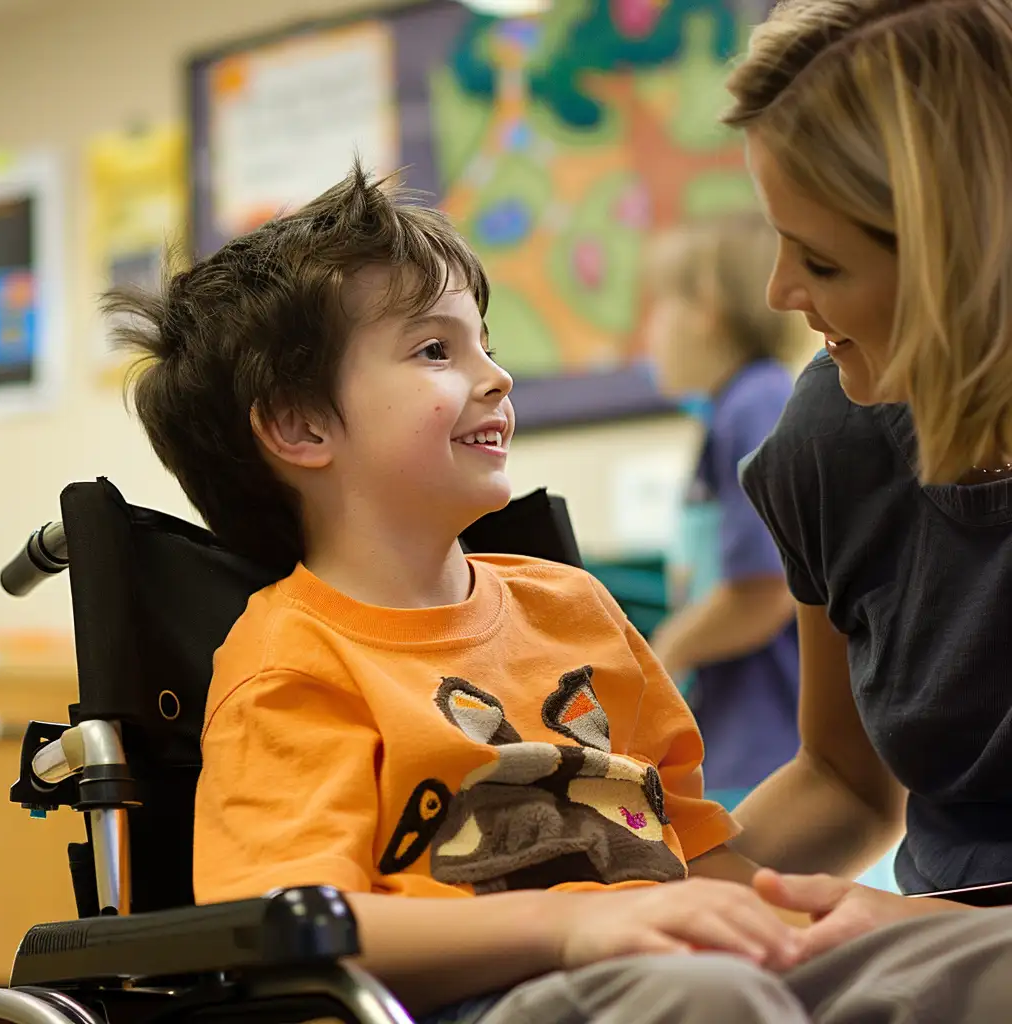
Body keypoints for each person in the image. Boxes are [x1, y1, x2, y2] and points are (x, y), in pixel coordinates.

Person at [107, 161, 818, 1022]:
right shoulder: (289, 664)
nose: (497, 376)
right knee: (713, 998)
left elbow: (696, 855)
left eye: (487, 342)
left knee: (945, 964)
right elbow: (289, 927)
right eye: (435, 349)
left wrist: (817, 928)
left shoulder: (576, 608)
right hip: (485, 997)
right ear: (301, 426)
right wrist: (568, 930)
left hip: (670, 967)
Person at [709, 0, 1012, 960]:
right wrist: (664, 898)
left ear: (958, 258)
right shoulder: (828, 442)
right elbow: (843, 778)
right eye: (780, 241)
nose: (779, 294)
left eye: (824, 261)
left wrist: (932, 928)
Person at [644, 212, 803, 804]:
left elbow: (764, 589)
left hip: (771, 744)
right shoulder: (730, 412)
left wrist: (665, 654)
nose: (650, 332)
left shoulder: (755, 404)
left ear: (706, 309)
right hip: (741, 736)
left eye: (660, 307)